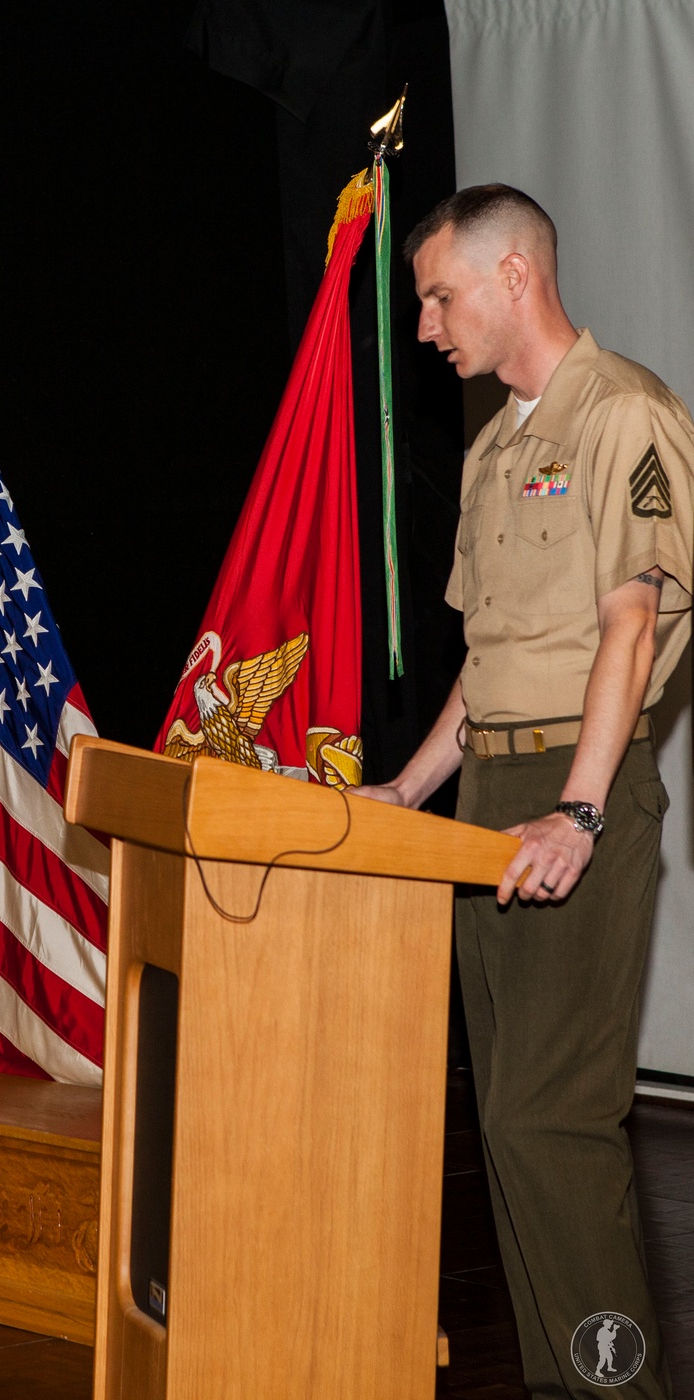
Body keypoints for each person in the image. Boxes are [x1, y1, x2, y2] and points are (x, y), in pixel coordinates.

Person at [350, 185, 692, 1400]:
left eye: (438, 295)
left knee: (554, 1120)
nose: (428, 324)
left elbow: (630, 627)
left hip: (570, 784)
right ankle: (563, 1386)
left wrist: (583, 810)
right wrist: (407, 783)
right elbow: (482, 665)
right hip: (493, 786)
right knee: (506, 1127)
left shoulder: (623, 416)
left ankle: (619, 1388)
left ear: (512, 278)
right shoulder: (496, 443)